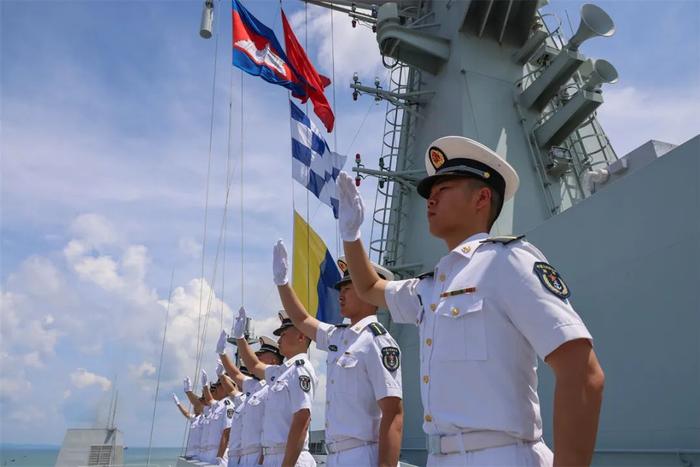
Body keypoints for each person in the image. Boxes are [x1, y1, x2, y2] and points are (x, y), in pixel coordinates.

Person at [336, 136, 605, 466]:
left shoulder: (509, 262)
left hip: (502, 456)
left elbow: (582, 371)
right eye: (429, 196)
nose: (430, 201)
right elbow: (369, 289)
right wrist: (351, 235)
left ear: (481, 197)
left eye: (442, 191)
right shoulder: (431, 287)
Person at [272, 240, 404, 467]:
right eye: (340, 289)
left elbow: (393, 413)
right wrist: (282, 283)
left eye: (348, 288)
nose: (340, 295)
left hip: (363, 456)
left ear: (368, 291)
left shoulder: (377, 340)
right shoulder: (338, 337)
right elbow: (302, 320)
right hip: (335, 456)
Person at [232, 307, 317, 467]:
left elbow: (302, 419)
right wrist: (240, 338)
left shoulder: (300, 369)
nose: (278, 341)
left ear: (301, 336)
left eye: (283, 334)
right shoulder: (281, 372)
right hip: (274, 456)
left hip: (289, 458)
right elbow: (254, 365)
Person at [217, 330, 285, 466]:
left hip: (259, 455)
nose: (256, 358)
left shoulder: (273, 386)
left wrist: (261, 460)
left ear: (273, 360)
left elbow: (267, 427)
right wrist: (222, 354)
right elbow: (235, 375)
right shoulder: (254, 386)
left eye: (261, 355)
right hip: (243, 456)